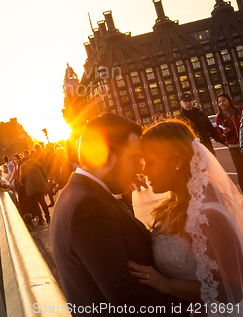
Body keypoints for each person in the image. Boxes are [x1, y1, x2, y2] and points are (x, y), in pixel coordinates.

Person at [51, 113, 187, 315]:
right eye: (134, 159)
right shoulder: (88, 207)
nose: (139, 170)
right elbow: (126, 297)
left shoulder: (76, 193)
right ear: (107, 157)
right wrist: (196, 309)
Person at [128, 121, 243, 311]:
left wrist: (168, 285)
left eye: (150, 162)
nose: (143, 170)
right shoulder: (168, 208)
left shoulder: (209, 214)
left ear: (177, 162)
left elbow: (235, 288)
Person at [216, 93, 243, 186]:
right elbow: (220, 136)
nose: (221, 103)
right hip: (234, 147)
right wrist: (225, 133)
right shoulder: (219, 117)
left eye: (223, 100)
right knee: (241, 171)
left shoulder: (240, 110)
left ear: (229, 101)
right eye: (219, 102)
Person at [19, 155, 50, 224]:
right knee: (42, 202)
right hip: (40, 185)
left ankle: (41, 218)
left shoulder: (23, 166)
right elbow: (44, 175)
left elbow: (21, 178)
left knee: (34, 204)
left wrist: (21, 182)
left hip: (31, 187)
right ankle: (48, 217)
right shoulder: (38, 164)